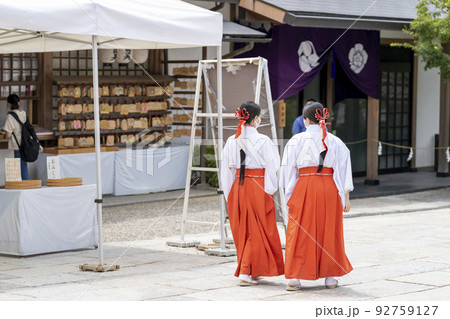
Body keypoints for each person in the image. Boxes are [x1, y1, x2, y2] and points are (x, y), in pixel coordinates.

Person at [280, 101, 353, 291]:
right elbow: (344, 169)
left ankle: (295, 277)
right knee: (329, 230)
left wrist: (288, 194)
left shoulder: (296, 141)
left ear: (306, 120)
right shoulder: (335, 141)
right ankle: (330, 277)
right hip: (328, 186)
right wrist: (345, 196)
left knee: (298, 230)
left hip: (304, 185)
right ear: (324, 119)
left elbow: (288, 170)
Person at [221, 101, 284, 286]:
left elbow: (227, 170)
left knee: (244, 229)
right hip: (258, 186)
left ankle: (252, 269)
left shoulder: (231, 140)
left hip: (239, 187)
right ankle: (246, 272)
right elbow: (274, 165)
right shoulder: (263, 140)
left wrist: (229, 193)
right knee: (258, 229)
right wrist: (270, 188)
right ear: (256, 118)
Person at [2, 94, 30, 180]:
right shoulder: (24, 113)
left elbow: (8, 135)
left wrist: (5, 132)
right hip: (25, 143)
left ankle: (26, 186)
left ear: (9, 104)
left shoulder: (10, 116)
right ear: (19, 103)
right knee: (23, 165)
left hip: (17, 145)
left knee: (21, 167)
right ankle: (27, 184)